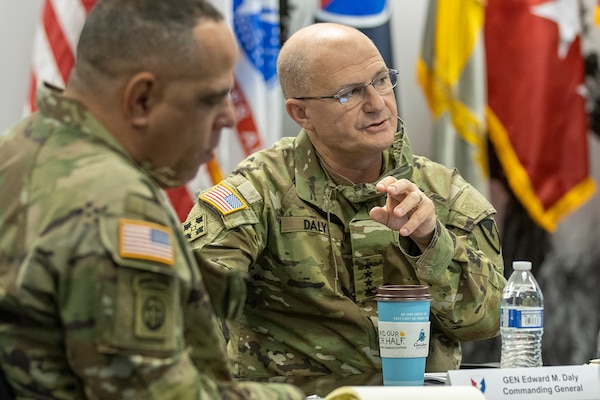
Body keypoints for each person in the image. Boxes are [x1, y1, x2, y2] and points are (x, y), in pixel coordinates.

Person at [0, 0, 305, 399]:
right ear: (142, 99)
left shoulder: (19, 148)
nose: (230, 118)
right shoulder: (117, 205)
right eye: (212, 98)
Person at [184, 22, 506, 394]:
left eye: (382, 80)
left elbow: (488, 322)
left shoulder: (443, 192)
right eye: (349, 93)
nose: (377, 103)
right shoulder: (260, 189)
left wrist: (432, 240)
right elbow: (190, 300)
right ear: (301, 114)